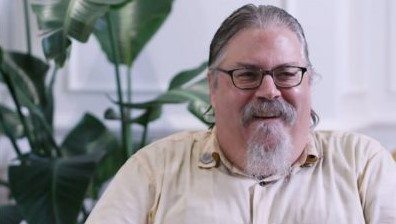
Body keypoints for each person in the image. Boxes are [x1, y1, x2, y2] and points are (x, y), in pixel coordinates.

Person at [86, 4, 396, 223]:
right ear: (213, 86)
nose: (269, 91)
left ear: (309, 81)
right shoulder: (154, 170)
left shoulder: (362, 165)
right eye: (247, 75)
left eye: (286, 73)